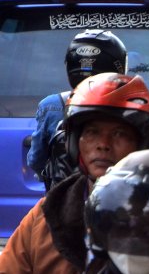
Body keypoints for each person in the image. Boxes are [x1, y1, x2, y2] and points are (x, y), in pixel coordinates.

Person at [0, 73, 149, 274]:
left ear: (142, 144)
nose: (103, 144)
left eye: (119, 133)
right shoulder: (48, 213)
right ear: (75, 142)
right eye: (92, 132)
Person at [27, 30, 127, 189]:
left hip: (61, 202)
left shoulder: (51, 105)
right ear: (119, 67)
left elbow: (36, 160)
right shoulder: (133, 106)